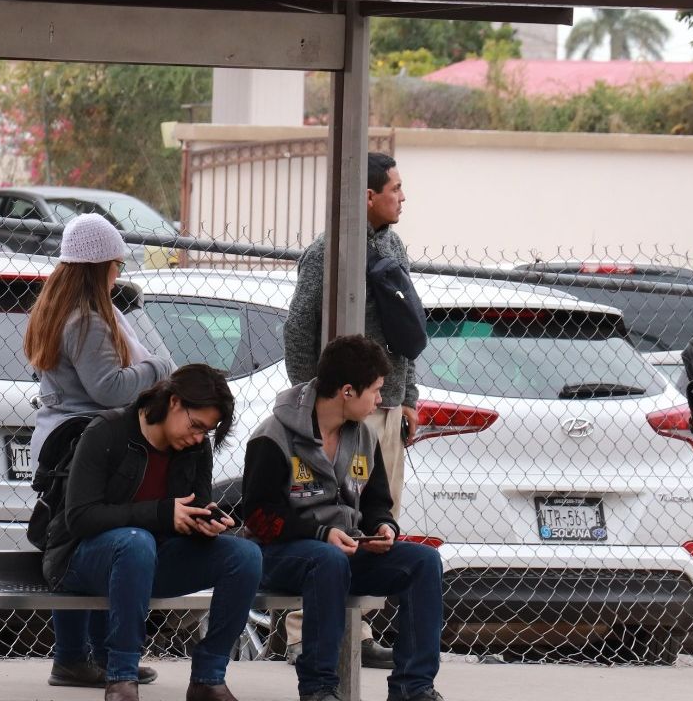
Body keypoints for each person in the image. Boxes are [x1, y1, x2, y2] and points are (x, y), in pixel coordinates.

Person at [241, 336, 443, 701]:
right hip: (279, 554)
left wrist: (384, 527)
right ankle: (319, 688)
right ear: (348, 391)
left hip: (343, 549)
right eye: (376, 391)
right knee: (327, 559)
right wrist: (321, 533)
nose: (380, 401)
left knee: (423, 561)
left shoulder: (363, 434)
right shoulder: (272, 436)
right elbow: (258, 517)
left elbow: (377, 501)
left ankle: (414, 687)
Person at [42, 364, 261, 701]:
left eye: (208, 431)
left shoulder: (195, 448)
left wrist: (205, 522)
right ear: (174, 402)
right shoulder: (108, 431)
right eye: (196, 425)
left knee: (245, 555)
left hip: (152, 557)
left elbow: (193, 506)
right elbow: (80, 518)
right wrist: (161, 513)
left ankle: (208, 678)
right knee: (135, 541)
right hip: (82, 560)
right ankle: (122, 678)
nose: (200, 437)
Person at [23, 213, 175, 689]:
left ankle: (79, 655)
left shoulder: (63, 309)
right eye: (115, 264)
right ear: (97, 267)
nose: (118, 273)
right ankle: (78, 656)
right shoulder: (86, 320)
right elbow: (109, 388)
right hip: (84, 443)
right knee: (85, 542)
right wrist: (158, 369)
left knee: (76, 538)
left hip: (67, 439)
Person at [281, 151, 417, 668]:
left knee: (374, 520)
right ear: (367, 196)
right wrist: (312, 399)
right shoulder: (327, 252)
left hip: (384, 409)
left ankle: (355, 631)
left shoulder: (392, 245)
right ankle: (303, 635)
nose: (402, 198)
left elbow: (407, 329)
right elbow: (298, 326)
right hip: (337, 410)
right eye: (395, 189)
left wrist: (407, 397)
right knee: (317, 514)